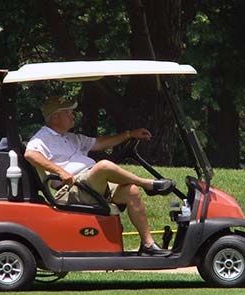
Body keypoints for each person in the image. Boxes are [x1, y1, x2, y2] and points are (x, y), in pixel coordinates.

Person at [24, 96, 175, 257]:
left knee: (132, 191)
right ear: (55, 117)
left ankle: (148, 244)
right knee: (103, 166)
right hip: (72, 190)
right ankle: (148, 184)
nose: (73, 116)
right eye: (68, 112)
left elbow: (101, 143)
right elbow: (31, 154)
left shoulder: (71, 137)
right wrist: (61, 172)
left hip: (90, 185)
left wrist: (130, 134)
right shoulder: (42, 138)